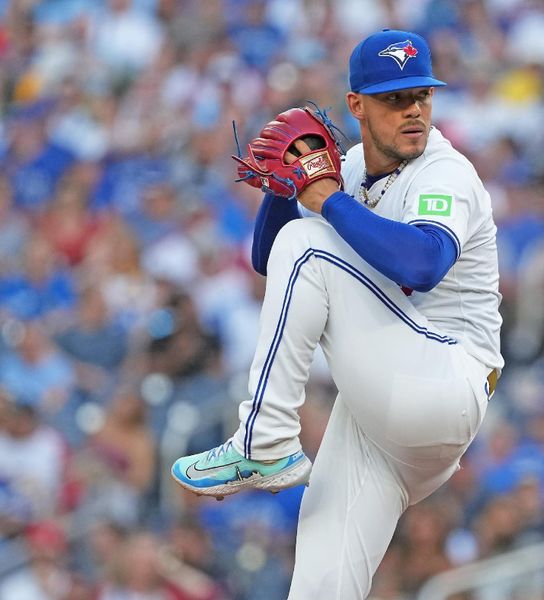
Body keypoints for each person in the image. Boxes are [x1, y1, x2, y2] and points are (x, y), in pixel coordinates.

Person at [171, 29, 503, 598]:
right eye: (395, 98)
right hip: (381, 420)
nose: (414, 110)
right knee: (320, 583)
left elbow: (422, 263)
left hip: (445, 381)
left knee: (309, 243)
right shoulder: (347, 169)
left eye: (421, 95)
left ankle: (266, 442)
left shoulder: (446, 173)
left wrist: (320, 197)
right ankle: (268, 444)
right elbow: (269, 261)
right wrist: (284, 187)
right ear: (357, 105)